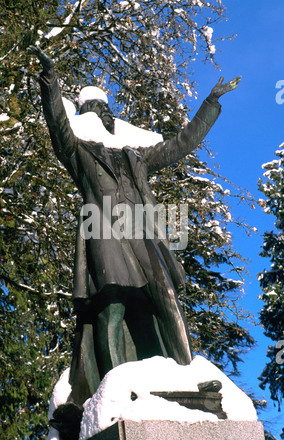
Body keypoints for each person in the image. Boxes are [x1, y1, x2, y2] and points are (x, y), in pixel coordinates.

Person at [28, 45, 241, 407]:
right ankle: (114, 389)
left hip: (142, 230)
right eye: (98, 107)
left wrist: (210, 104)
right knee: (112, 306)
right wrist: (50, 81)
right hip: (102, 229)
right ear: (86, 113)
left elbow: (179, 145)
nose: (106, 112)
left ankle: (188, 376)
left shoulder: (135, 153)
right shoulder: (78, 149)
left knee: (167, 298)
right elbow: (58, 124)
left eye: (108, 107)